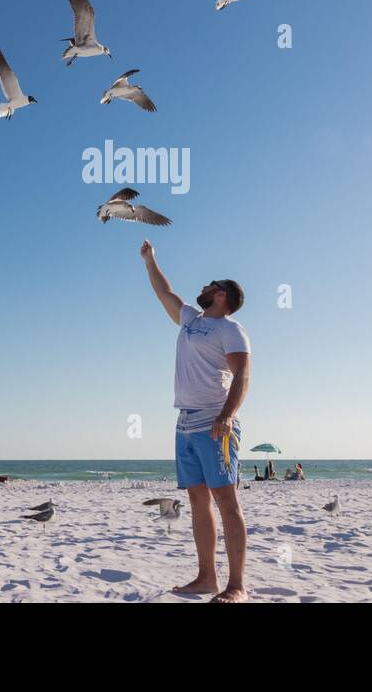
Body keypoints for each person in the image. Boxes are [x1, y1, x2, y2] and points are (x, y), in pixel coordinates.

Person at [141, 239, 251, 603]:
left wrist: (226, 416)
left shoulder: (231, 330)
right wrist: (150, 259)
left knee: (227, 501)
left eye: (209, 286)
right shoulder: (191, 319)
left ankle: (237, 586)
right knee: (197, 501)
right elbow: (164, 292)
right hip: (184, 422)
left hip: (214, 423)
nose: (202, 288)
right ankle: (207, 578)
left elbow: (242, 376)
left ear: (221, 296)